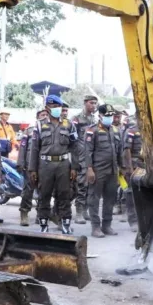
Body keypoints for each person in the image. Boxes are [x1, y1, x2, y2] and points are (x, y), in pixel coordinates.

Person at [28, 95, 78, 234]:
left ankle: (65, 224)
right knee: (44, 195)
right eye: (54, 106)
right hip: (45, 164)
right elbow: (34, 149)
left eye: (58, 106)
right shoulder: (39, 125)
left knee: (64, 194)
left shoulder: (69, 124)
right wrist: (33, 169)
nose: (57, 109)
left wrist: (74, 167)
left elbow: (75, 147)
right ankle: (43, 224)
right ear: (47, 108)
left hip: (63, 164)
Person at [85, 104, 122, 237]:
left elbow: (120, 152)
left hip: (112, 171)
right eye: (107, 115)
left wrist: (122, 168)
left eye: (111, 115)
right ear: (100, 115)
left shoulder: (116, 130)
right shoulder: (92, 130)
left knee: (110, 198)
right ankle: (96, 227)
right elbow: (87, 151)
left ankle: (107, 225)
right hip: (97, 170)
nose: (110, 118)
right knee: (94, 199)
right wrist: (89, 169)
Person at [16, 110, 49, 227]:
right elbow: (23, 148)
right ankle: (24, 214)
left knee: (43, 192)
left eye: (46, 115)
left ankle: (40, 215)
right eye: (42, 115)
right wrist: (20, 163)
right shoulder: (29, 130)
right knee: (27, 191)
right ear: (37, 117)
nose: (44, 117)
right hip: (30, 166)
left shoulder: (49, 129)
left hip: (44, 166)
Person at [71, 95, 98, 224]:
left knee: (90, 184)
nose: (94, 105)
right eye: (91, 103)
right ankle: (79, 212)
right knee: (81, 185)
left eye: (95, 103)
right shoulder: (77, 119)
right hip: (80, 156)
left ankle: (86, 209)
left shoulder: (94, 119)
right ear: (85, 103)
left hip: (91, 156)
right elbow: (72, 140)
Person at [121, 110, 144, 232]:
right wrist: (129, 168)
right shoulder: (131, 131)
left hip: (146, 165)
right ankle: (133, 220)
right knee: (131, 193)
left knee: (144, 193)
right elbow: (126, 150)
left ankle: (143, 220)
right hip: (134, 164)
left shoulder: (149, 132)